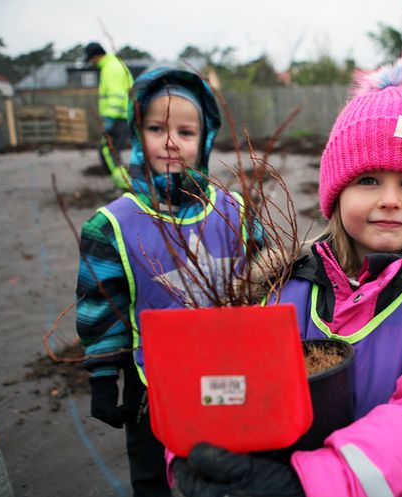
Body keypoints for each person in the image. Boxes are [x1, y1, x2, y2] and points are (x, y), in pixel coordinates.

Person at [170, 55, 402, 497]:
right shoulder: (284, 289)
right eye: (369, 180)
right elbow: (227, 388)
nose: (391, 200)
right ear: (336, 196)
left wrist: (307, 484)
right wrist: (197, 457)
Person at [75, 68, 252, 497]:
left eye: (186, 131)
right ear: (137, 135)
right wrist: (103, 375)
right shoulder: (112, 225)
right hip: (150, 381)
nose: (171, 141)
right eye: (156, 128)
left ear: (205, 140)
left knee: (226, 469)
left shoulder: (236, 210)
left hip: (227, 374)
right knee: (152, 474)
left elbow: (265, 281)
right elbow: (102, 305)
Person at [84, 41, 134, 189]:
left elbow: (116, 95)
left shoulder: (110, 68)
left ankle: (125, 185)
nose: (91, 63)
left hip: (118, 117)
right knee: (112, 151)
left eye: (91, 59)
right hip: (122, 116)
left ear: (96, 56)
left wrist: (110, 119)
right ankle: (124, 183)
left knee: (107, 150)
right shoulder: (114, 65)